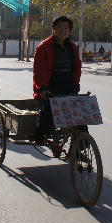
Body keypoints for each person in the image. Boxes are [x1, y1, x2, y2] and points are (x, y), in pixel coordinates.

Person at [32, 16, 84, 144]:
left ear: (70, 31)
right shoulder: (43, 47)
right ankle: (40, 135)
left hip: (68, 85)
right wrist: (42, 89)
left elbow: (77, 67)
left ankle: (78, 148)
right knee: (49, 112)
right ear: (53, 29)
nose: (63, 30)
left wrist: (76, 83)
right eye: (59, 27)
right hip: (50, 87)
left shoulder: (72, 47)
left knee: (80, 118)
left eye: (66, 28)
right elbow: (39, 71)